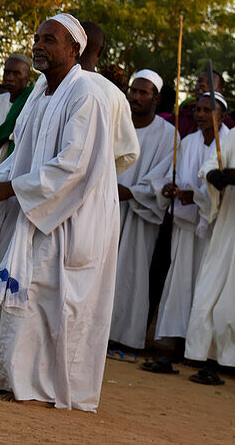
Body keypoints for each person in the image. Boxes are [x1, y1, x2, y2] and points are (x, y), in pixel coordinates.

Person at [0, 13, 118, 412]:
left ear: (74, 49)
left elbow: (73, 166)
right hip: (29, 206)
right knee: (1, 290)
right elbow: (21, 151)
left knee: (42, 299)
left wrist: (9, 189)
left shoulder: (87, 94)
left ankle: (37, 386)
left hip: (66, 216)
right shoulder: (39, 91)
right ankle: (1, 374)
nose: (39, 46)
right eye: (37, 39)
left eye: (50, 40)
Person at [145, 93, 227, 372]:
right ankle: (179, 345)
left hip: (214, 229)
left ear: (221, 115)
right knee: (181, 285)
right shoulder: (187, 142)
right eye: (197, 109)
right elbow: (171, 176)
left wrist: (200, 197)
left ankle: (206, 351)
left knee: (206, 288)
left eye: (207, 110)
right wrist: (169, 188)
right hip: (184, 226)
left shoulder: (226, 142)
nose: (201, 114)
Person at [108, 70, 175, 354]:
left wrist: (131, 192)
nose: (135, 96)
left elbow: (162, 179)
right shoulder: (115, 122)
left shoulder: (168, 135)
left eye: (143, 92)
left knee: (130, 274)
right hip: (105, 208)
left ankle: (125, 340)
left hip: (138, 215)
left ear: (156, 98)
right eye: (133, 90)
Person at [189, 124, 235, 385]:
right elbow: (209, 166)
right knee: (211, 291)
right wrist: (215, 176)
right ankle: (207, 356)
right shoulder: (234, 136)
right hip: (228, 224)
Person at [79, 21, 140, 175]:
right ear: (101, 51)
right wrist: (100, 175)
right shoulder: (115, 94)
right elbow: (129, 152)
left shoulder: (49, 83)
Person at [176, 70, 234, 137]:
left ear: (219, 91)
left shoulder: (227, 124)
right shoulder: (180, 116)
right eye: (199, 81)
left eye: (209, 82)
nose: (202, 84)